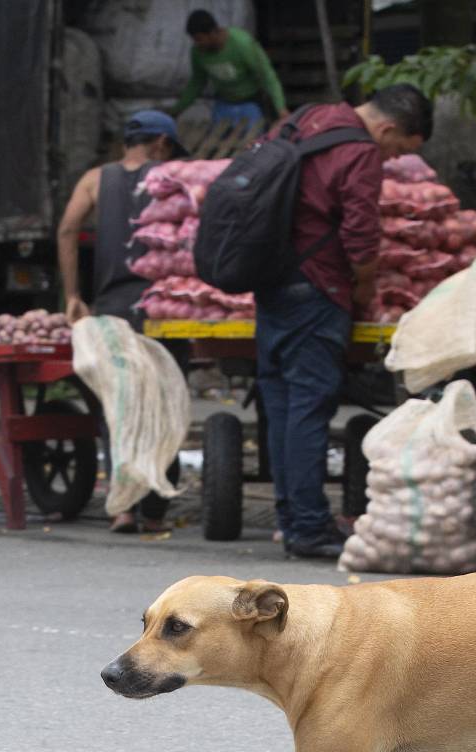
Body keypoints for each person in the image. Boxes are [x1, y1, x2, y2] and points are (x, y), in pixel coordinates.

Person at [254, 84, 433, 559]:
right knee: (309, 407)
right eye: (396, 149)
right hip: (316, 288)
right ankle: (310, 527)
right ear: (388, 128)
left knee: (282, 406)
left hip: (271, 281)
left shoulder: (304, 118)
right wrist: (363, 287)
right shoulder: (357, 149)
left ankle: (290, 519)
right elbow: (360, 233)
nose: (390, 158)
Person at [57, 110, 186, 534]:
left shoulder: (96, 179)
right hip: (167, 309)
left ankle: (122, 509)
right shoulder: (174, 175)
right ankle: (154, 511)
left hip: (113, 309)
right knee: (164, 403)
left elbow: (66, 229)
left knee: (120, 407)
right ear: (162, 143)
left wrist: (73, 295)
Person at [173, 10, 289, 128]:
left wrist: (281, 109)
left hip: (251, 102)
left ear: (212, 33)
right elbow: (197, 83)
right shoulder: (197, 53)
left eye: (199, 39)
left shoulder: (242, 44)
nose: (197, 44)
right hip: (223, 103)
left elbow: (267, 77)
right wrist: (177, 110)